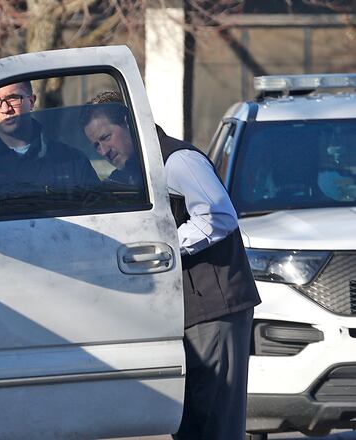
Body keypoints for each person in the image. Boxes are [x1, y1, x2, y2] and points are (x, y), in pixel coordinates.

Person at [80, 91, 261, 440]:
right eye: (96, 146)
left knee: (216, 424)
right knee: (189, 423)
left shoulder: (177, 161)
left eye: (106, 137)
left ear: (132, 125)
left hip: (214, 309)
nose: (103, 150)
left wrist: (162, 250)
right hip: (182, 312)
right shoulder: (136, 173)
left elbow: (218, 216)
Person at [0, 81, 99, 209]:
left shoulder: (71, 161)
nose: (5, 109)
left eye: (13, 98)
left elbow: (98, 216)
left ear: (31, 102)